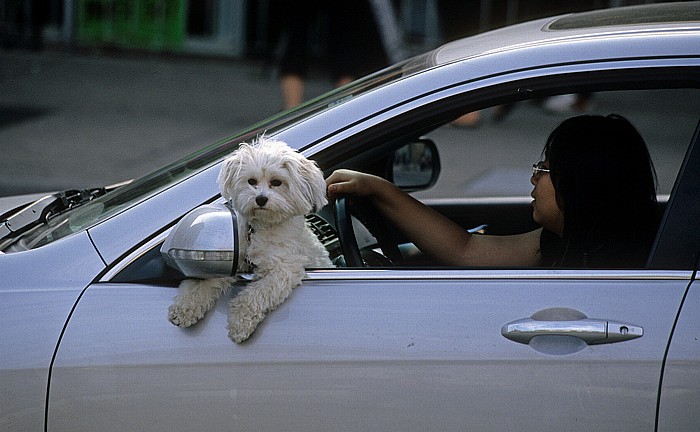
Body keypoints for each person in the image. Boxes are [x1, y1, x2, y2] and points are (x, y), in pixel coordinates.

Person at [326, 114, 660, 268]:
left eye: (545, 169)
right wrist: (378, 188)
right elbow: (465, 249)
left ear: (581, 186)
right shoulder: (564, 241)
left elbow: (464, 250)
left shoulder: (608, 267)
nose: (534, 178)